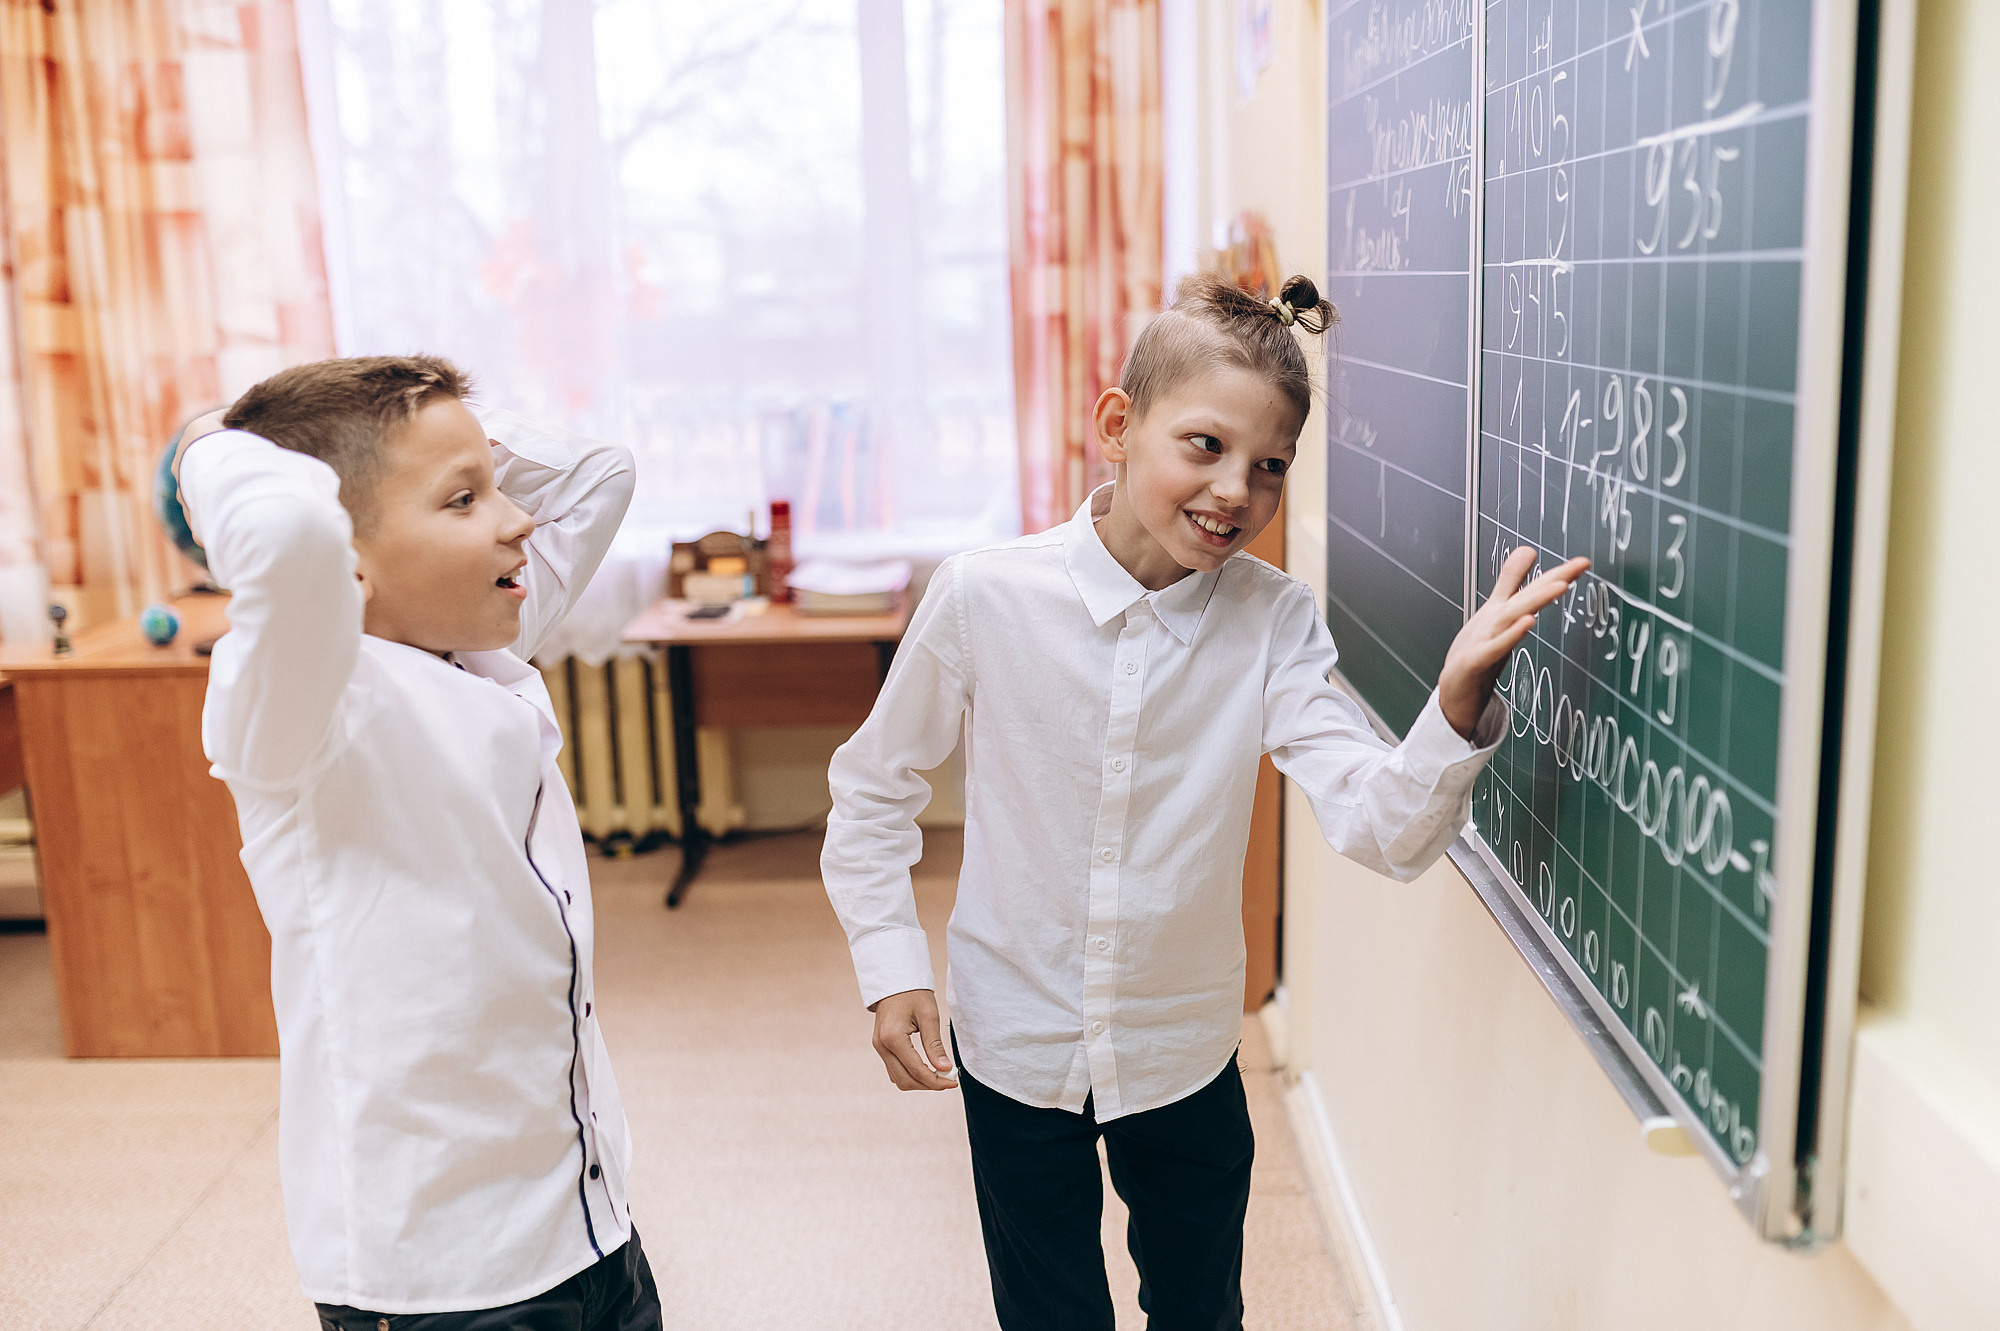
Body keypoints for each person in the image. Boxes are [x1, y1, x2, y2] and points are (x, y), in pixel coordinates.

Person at [821, 273, 1587, 1329]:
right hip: (1013, 1037)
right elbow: (871, 790)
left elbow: (1381, 827)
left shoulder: (1274, 621)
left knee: (1199, 1309)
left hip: (1179, 1049)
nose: (1235, 488)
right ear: (1116, 426)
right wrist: (889, 963)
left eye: (1268, 464)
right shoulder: (983, 594)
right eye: (1204, 446)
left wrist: (1452, 705)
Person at [173, 356, 660, 1330]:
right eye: (464, 499)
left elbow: (603, 470)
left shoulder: (481, 650)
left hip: (587, 1222)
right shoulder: (308, 705)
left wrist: (437, 433)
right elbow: (292, 531)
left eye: (497, 486)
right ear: (348, 557)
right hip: (446, 1277)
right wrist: (208, 442)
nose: (516, 518)